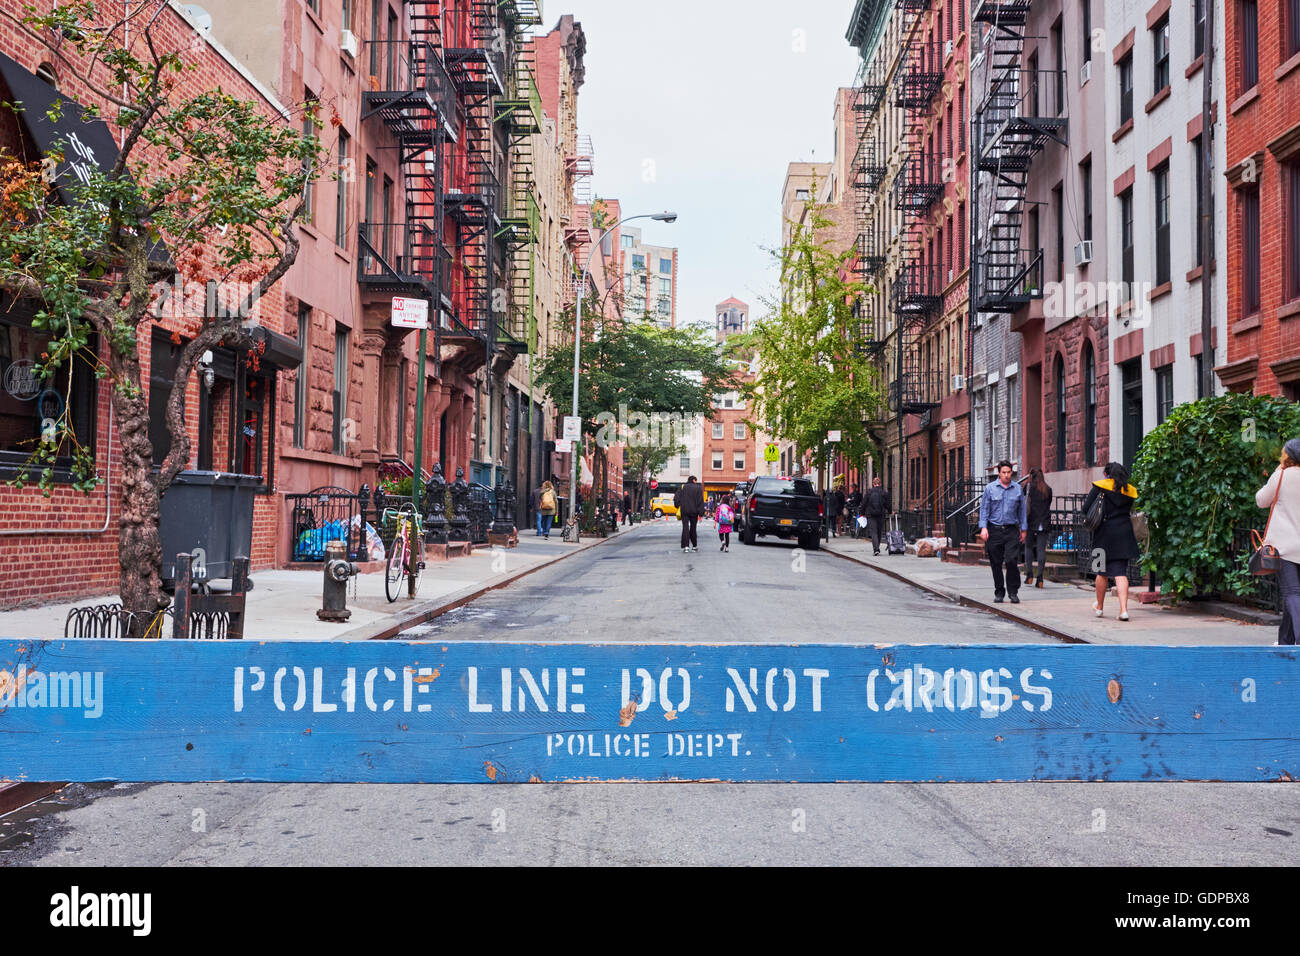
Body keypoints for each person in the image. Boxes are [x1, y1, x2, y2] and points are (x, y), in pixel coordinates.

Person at [1082, 462, 1139, 621]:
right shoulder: (1130, 491)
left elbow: (1086, 508)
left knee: (1101, 572)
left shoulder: (1100, 487)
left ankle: (1099, 607)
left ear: (1107, 474)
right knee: (1121, 573)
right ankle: (1123, 610)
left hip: (1103, 535)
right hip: (1124, 535)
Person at [1257, 439, 1300, 644]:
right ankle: (1286, 641)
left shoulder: (1281, 476)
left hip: (1285, 547)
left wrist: (1276, 473)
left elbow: (1261, 501)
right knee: (1293, 598)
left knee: (1292, 594)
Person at [978, 461, 1027, 604]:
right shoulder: (990, 489)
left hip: (1011, 530)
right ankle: (999, 592)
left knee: (1011, 560)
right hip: (994, 530)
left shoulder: (1017, 489)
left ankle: (1013, 592)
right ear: (998, 473)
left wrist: (1023, 529)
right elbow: (984, 509)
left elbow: (1022, 511)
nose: (1006, 475)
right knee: (996, 562)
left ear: (1012, 472)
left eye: (1009, 472)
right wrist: (984, 527)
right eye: (1004, 472)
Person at [1024, 468, 1054, 588]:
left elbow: (1024, 504)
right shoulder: (1048, 489)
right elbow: (1048, 504)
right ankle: (1040, 579)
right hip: (1044, 522)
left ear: (1031, 476)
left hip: (1030, 521)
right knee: (1041, 550)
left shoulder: (1028, 487)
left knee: (1028, 547)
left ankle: (1030, 575)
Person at [862, 477, 890, 556]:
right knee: (879, 531)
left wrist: (862, 513)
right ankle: (877, 547)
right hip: (881, 514)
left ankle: (876, 549)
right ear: (880, 484)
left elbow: (864, 503)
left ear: (873, 484)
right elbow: (887, 504)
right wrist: (890, 511)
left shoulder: (869, 492)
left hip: (870, 515)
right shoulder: (884, 493)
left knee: (873, 532)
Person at [677, 475, 705, 552]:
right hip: (694, 511)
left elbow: (676, 498)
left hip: (684, 511)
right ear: (693, 480)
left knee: (685, 528)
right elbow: (700, 501)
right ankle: (694, 546)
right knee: (693, 528)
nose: (696, 482)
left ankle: (686, 547)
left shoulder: (682, 487)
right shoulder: (698, 488)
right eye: (695, 481)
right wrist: (701, 513)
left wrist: (679, 505)